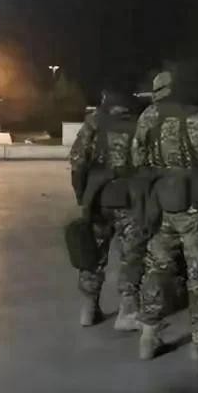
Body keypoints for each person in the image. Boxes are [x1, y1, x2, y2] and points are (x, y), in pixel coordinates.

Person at [131, 67, 198, 361]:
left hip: (160, 203)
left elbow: (137, 159)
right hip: (197, 207)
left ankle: (149, 334)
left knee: (157, 268)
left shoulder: (149, 116)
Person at [69, 85, 148, 331]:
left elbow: (77, 162)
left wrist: (82, 195)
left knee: (93, 254)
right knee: (132, 254)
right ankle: (127, 310)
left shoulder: (94, 122)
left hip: (98, 198)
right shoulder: (140, 123)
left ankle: (89, 309)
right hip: (130, 199)